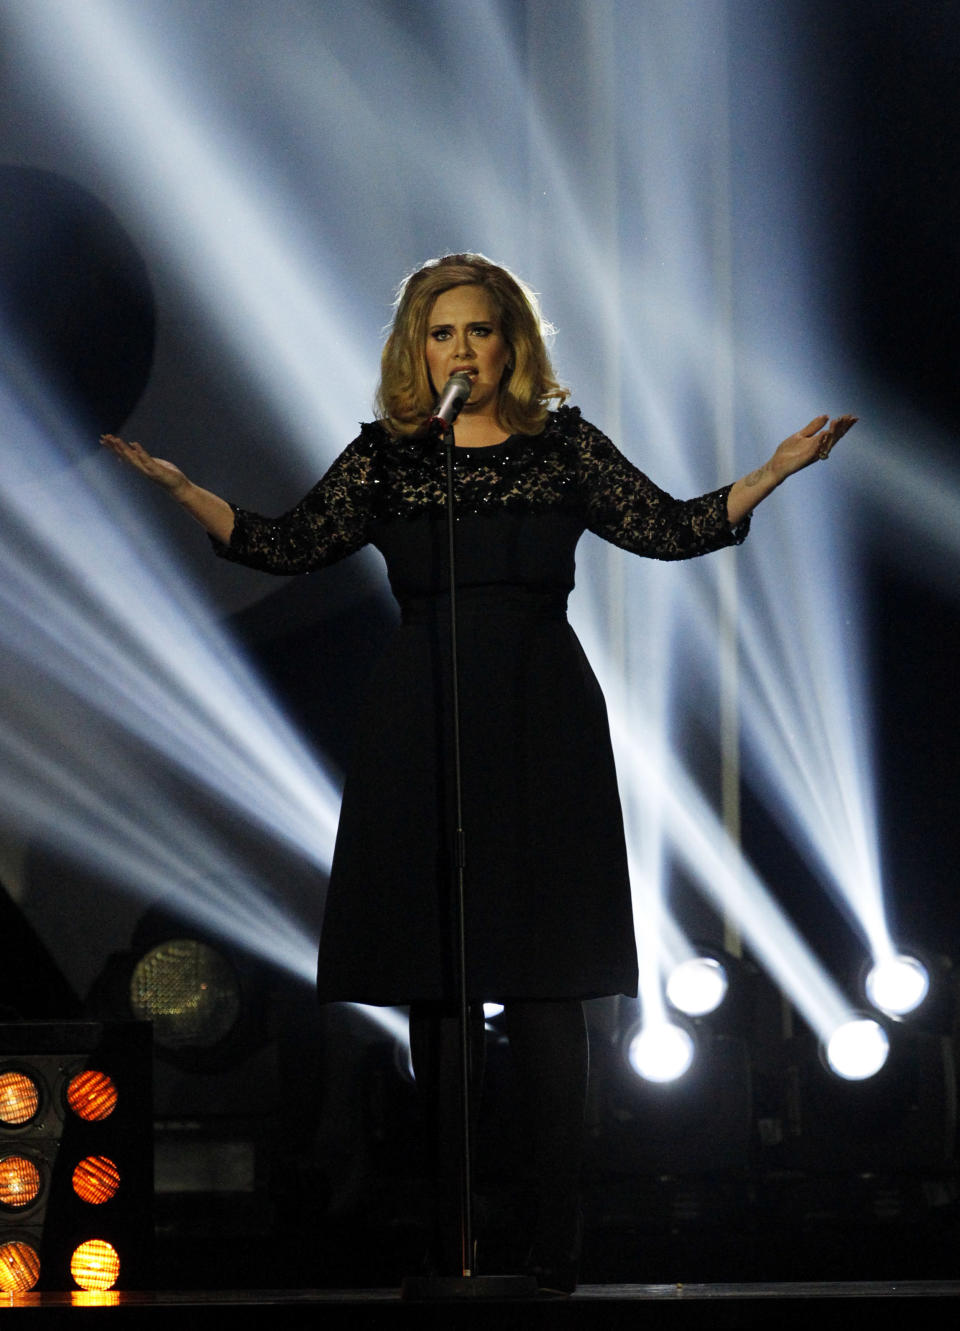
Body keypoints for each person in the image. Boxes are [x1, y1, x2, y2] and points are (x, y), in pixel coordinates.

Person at [102, 252, 856, 1292]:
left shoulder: (563, 447)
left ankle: (557, 1245)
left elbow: (671, 526)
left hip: (543, 712)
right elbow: (286, 542)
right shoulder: (391, 460)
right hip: (423, 719)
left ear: (513, 343)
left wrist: (770, 472)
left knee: (549, 989)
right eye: (443, 333)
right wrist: (186, 490)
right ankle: (452, 1239)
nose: (464, 349)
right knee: (441, 987)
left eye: (481, 330)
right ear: (420, 349)